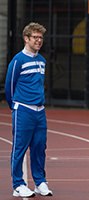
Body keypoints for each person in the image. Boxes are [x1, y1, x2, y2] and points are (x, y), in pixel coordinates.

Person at [5, 22, 53, 197]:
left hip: (40, 111)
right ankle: (18, 184)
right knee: (19, 148)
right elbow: (9, 86)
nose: (39, 40)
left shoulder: (42, 61)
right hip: (23, 110)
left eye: (41, 37)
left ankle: (40, 182)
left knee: (40, 147)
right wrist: (16, 108)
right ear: (26, 39)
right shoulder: (18, 60)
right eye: (35, 37)